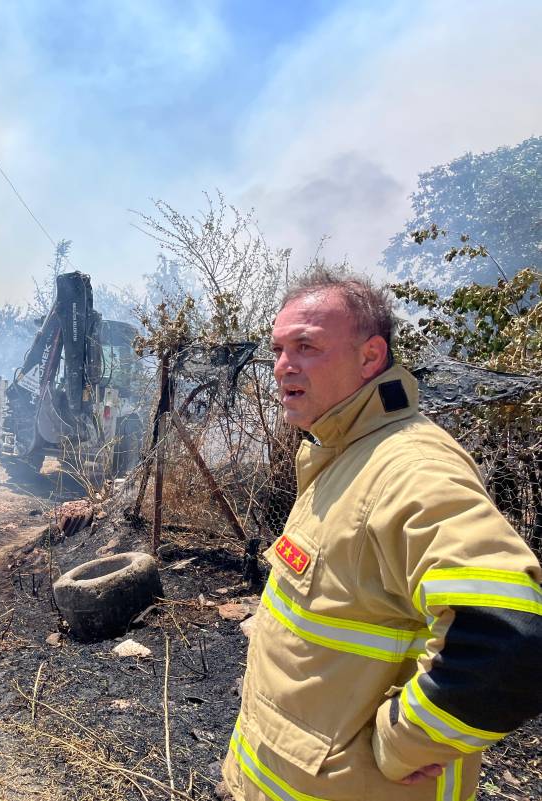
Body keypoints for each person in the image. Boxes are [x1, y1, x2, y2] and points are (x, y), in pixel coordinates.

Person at [220, 268, 542, 801]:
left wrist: (404, 743)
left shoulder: (410, 467)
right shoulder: (341, 453)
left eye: (307, 346)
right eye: (277, 349)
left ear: (370, 357)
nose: (283, 366)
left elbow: (510, 638)